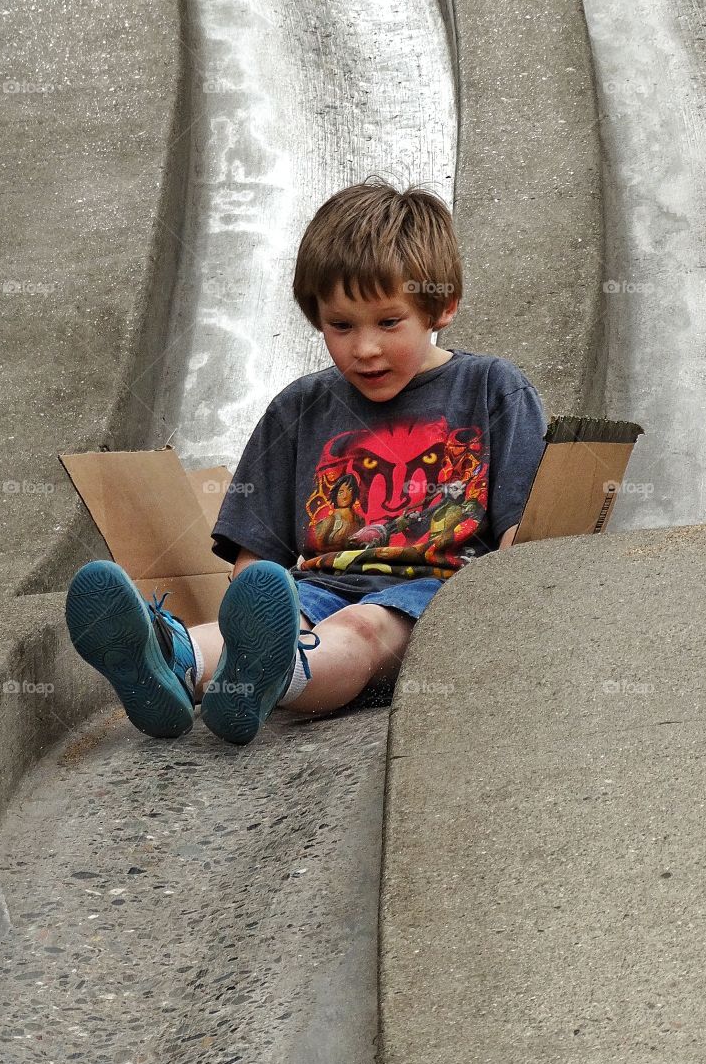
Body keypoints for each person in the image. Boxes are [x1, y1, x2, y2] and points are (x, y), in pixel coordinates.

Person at [65, 178, 548, 746]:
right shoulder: (300, 408)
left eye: (388, 323)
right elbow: (257, 559)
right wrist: (250, 623)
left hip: (435, 596)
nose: (363, 348)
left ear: (441, 307)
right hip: (317, 585)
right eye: (341, 326)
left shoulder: (492, 389)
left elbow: (527, 536)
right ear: (317, 318)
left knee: (361, 627)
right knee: (280, 617)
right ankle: (174, 659)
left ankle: (274, 677)